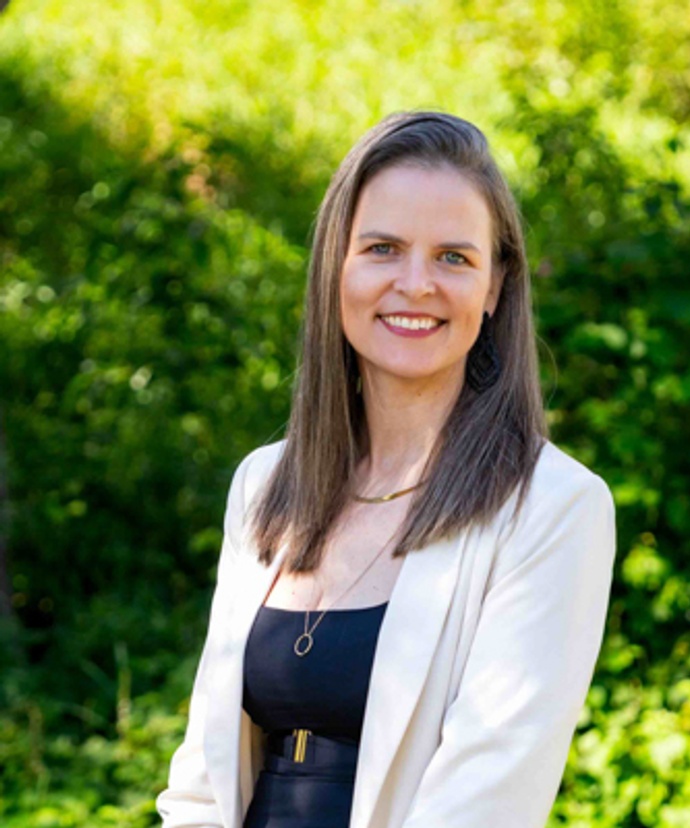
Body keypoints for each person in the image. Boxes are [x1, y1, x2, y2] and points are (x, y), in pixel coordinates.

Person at [156, 110, 616, 828]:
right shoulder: (263, 487)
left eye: (453, 258)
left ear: (495, 287)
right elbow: (200, 785)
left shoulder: (553, 507)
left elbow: (486, 800)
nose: (416, 283)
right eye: (383, 248)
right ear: (335, 267)